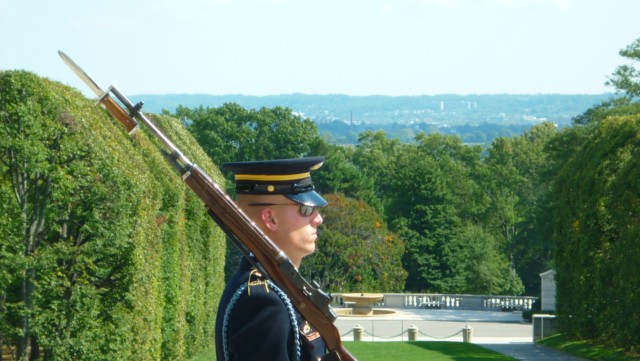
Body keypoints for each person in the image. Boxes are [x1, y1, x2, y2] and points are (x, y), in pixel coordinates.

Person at [214, 156, 329, 361]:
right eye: (306, 209)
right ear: (270, 218)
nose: (318, 219)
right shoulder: (264, 301)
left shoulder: (281, 288)